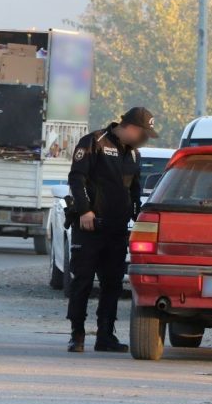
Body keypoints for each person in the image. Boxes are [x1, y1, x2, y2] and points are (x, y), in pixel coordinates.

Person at [66, 107, 157, 353]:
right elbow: (76, 178)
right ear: (132, 127)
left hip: (117, 230)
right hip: (90, 226)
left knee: (113, 284)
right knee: (82, 281)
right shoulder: (94, 142)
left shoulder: (134, 155)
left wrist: (139, 217)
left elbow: (135, 190)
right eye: (143, 133)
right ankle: (77, 334)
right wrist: (84, 210)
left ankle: (105, 335)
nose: (143, 138)